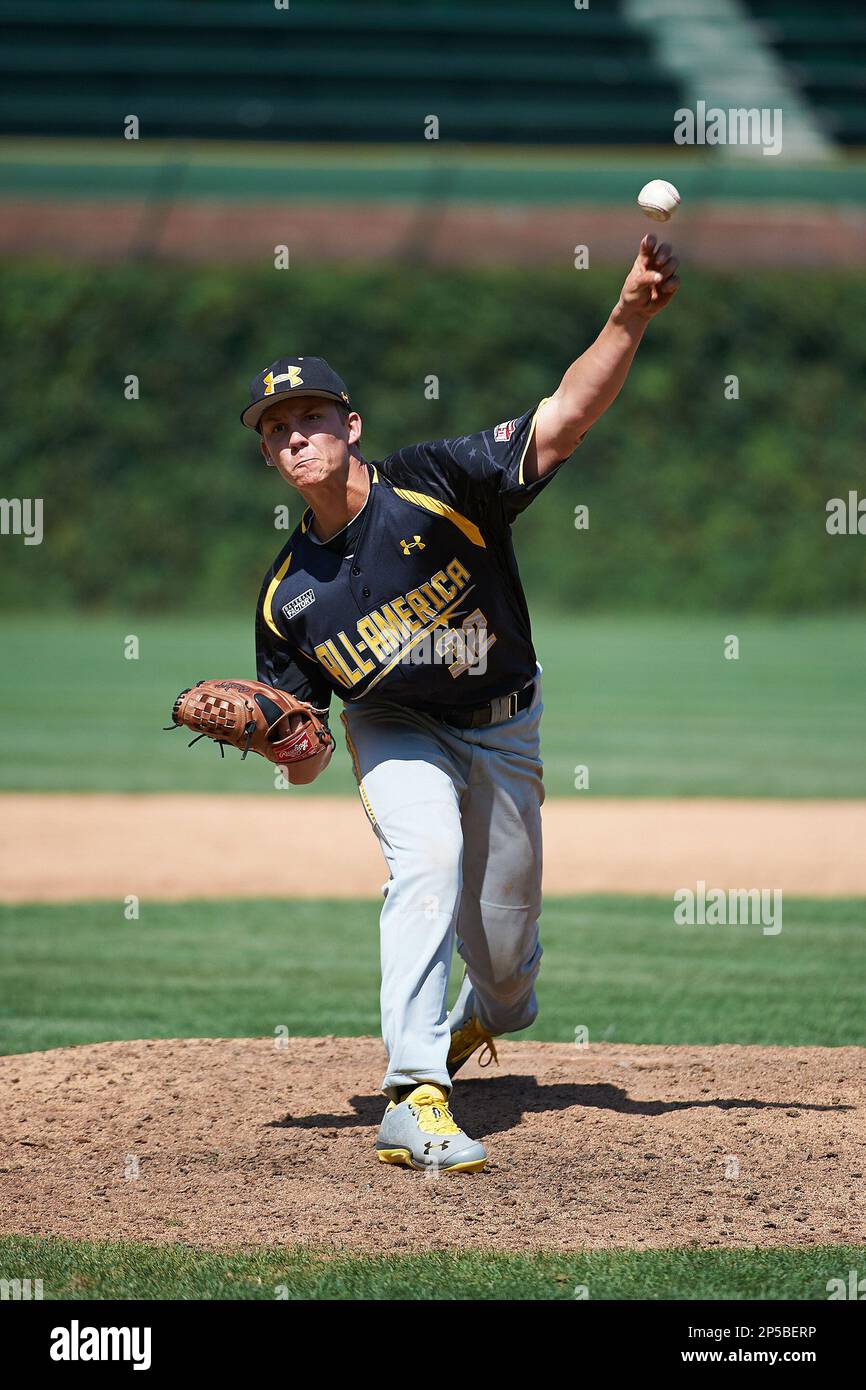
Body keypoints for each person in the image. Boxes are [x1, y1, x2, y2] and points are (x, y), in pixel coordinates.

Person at [247, 234, 680, 1172]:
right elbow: (309, 744)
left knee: (510, 969)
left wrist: (630, 314)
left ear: (350, 426)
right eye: (275, 427)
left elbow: (563, 420)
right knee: (426, 861)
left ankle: (487, 1014)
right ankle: (413, 1094)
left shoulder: (437, 482)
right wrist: (288, 747)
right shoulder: (290, 597)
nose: (293, 435)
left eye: (309, 415)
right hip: (394, 727)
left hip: (505, 722)